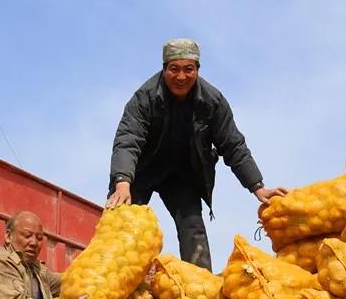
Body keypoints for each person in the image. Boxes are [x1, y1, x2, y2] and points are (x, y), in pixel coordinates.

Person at [105, 38, 287, 270]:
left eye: (188, 69)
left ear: (197, 71)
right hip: (142, 171)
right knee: (121, 223)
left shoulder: (213, 102)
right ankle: (111, 278)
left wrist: (257, 186)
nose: (181, 77)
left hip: (182, 173)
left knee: (193, 228)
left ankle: (199, 287)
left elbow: (233, 145)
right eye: (174, 69)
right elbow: (128, 140)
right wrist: (122, 181)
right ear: (164, 69)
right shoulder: (145, 97)